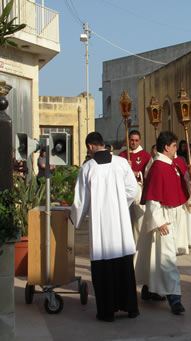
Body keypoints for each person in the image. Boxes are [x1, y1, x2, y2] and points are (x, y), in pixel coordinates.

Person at [70, 132, 139, 322]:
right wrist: (118, 205)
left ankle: (107, 312)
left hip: (101, 225)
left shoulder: (88, 168)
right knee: (124, 266)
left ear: (90, 146)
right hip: (120, 225)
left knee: (103, 268)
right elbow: (133, 190)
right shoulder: (121, 163)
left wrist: (74, 218)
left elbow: (81, 200)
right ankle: (131, 308)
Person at [138, 131, 191, 315]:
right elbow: (153, 199)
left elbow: (181, 188)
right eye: (174, 146)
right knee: (166, 258)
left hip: (174, 215)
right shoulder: (158, 167)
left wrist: (189, 176)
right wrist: (158, 221)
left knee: (157, 257)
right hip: (164, 219)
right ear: (166, 147)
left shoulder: (173, 164)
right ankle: (175, 298)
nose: (176, 149)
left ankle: (149, 289)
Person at [119, 130, 151, 243]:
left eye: (136, 140)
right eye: (131, 140)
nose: (134, 143)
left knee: (139, 220)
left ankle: (139, 244)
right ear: (128, 141)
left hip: (139, 190)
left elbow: (149, 174)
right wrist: (125, 169)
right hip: (124, 191)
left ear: (140, 141)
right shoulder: (122, 155)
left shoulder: (146, 156)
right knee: (125, 220)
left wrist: (137, 173)